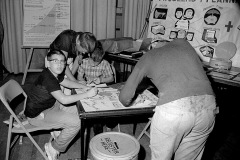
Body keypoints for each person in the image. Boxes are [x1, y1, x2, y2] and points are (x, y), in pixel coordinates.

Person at [119, 39, 217, 160]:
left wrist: (130, 100)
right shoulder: (184, 44)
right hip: (208, 107)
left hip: (174, 111)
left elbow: (125, 97)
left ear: (152, 47)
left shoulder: (148, 56)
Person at [24, 50, 98, 160]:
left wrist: (82, 87)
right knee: (77, 122)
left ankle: (57, 130)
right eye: (55, 61)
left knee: (81, 111)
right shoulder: (48, 78)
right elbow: (64, 100)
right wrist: (87, 94)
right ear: (48, 62)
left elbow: (65, 82)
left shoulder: (53, 73)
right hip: (37, 115)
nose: (59, 64)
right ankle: (53, 147)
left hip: (50, 106)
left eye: (62, 61)